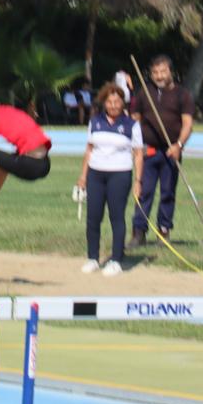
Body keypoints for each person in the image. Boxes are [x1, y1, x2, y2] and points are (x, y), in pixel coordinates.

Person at [76, 83, 143, 276]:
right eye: (109, 101)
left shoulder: (131, 125)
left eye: (117, 101)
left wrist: (138, 181)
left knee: (117, 217)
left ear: (123, 103)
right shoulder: (95, 122)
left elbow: (138, 154)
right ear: (104, 103)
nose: (113, 105)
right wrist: (83, 176)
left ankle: (116, 260)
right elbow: (89, 150)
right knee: (93, 217)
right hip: (96, 174)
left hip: (120, 174)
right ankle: (93, 258)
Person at [127, 55, 194, 247]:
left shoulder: (182, 94)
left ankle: (164, 231)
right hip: (148, 151)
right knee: (144, 192)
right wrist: (136, 144)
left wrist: (178, 145)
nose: (159, 76)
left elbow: (188, 124)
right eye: (155, 72)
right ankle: (138, 232)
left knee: (167, 193)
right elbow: (135, 119)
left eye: (163, 71)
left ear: (170, 72)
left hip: (171, 151)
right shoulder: (144, 92)